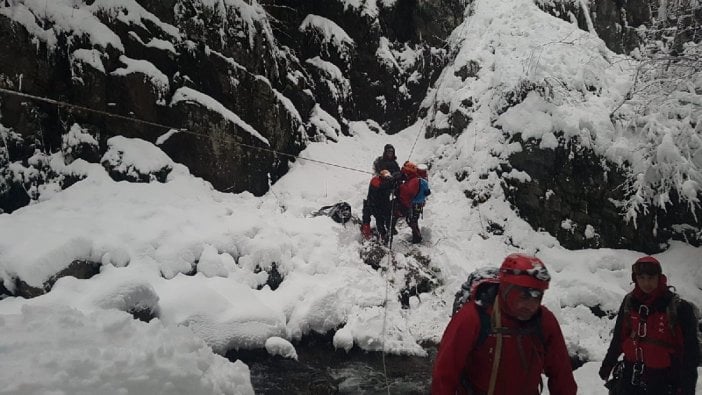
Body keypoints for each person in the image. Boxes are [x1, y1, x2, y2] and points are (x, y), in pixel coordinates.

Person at [432, 253, 577, 395]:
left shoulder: (544, 321)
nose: (531, 305)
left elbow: (562, 376)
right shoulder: (472, 318)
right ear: (506, 289)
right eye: (524, 296)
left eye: (537, 297)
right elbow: (445, 374)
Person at [599, 256, 699, 395]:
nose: (646, 283)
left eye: (651, 277)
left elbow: (690, 354)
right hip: (630, 375)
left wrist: (687, 388)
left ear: (659, 277)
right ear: (635, 279)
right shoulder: (629, 302)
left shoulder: (679, 308)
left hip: (665, 380)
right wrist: (608, 364)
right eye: (641, 278)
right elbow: (619, 337)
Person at [393, 161, 424, 243]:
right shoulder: (415, 178)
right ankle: (417, 237)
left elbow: (404, 196)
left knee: (411, 221)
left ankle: (417, 238)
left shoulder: (412, 183)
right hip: (417, 204)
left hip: (412, 205)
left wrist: (398, 189)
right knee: (413, 221)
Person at [360, 170, 395, 243]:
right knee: (378, 220)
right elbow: (382, 187)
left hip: (377, 204)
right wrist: (391, 183)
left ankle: (380, 234)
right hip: (376, 205)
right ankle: (376, 234)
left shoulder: (380, 182)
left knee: (371, 217)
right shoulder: (377, 183)